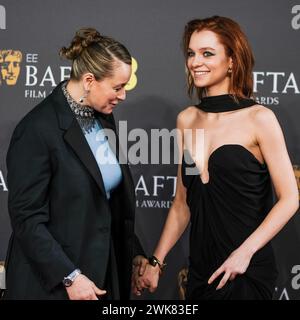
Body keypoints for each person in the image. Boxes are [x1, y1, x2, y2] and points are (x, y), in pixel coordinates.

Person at [136, 16, 299, 300]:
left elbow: (289, 199)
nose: (195, 62)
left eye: (207, 53)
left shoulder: (259, 118)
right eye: (191, 53)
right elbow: (181, 204)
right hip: (200, 270)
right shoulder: (186, 120)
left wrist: (244, 253)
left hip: (245, 270)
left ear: (232, 60)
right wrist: (156, 262)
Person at [3, 28, 147, 300]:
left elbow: (106, 201)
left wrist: (134, 251)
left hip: (100, 276)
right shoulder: (36, 129)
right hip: (54, 286)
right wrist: (69, 276)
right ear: (90, 80)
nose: (123, 96)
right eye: (118, 87)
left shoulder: (103, 119)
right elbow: (27, 219)